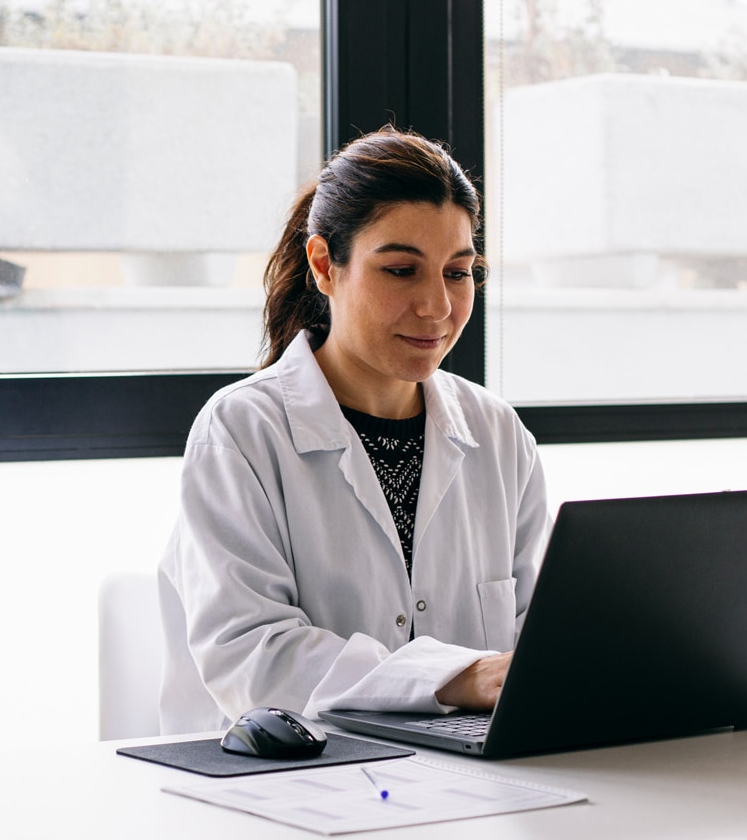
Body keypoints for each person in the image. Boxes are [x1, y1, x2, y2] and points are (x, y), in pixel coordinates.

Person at [157, 128, 548, 734]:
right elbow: (250, 656)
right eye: (400, 270)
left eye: (458, 272)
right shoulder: (242, 430)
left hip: (466, 780)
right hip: (287, 783)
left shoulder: (497, 433)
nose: (437, 306)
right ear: (324, 266)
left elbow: (542, 639)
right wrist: (454, 678)